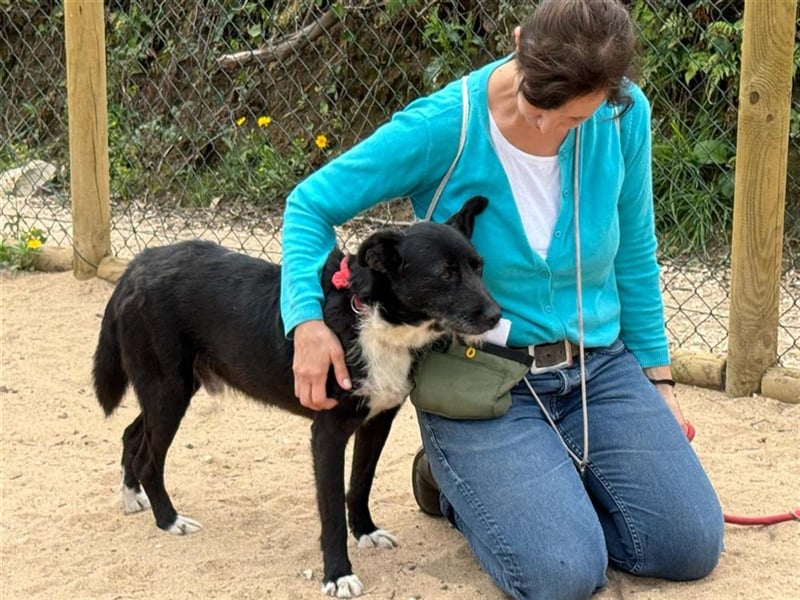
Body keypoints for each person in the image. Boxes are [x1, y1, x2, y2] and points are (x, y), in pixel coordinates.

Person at [279, 0, 724, 597]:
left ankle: (543, 486)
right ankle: (451, 481)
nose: (544, 128)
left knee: (688, 546)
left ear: (612, 93)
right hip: (481, 374)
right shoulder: (444, 126)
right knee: (563, 574)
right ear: (518, 42)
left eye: (570, 119)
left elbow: (635, 254)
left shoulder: (624, 117)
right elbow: (309, 205)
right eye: (535, 104)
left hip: (599, 369)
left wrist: (660, 382)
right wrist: (305, 321)